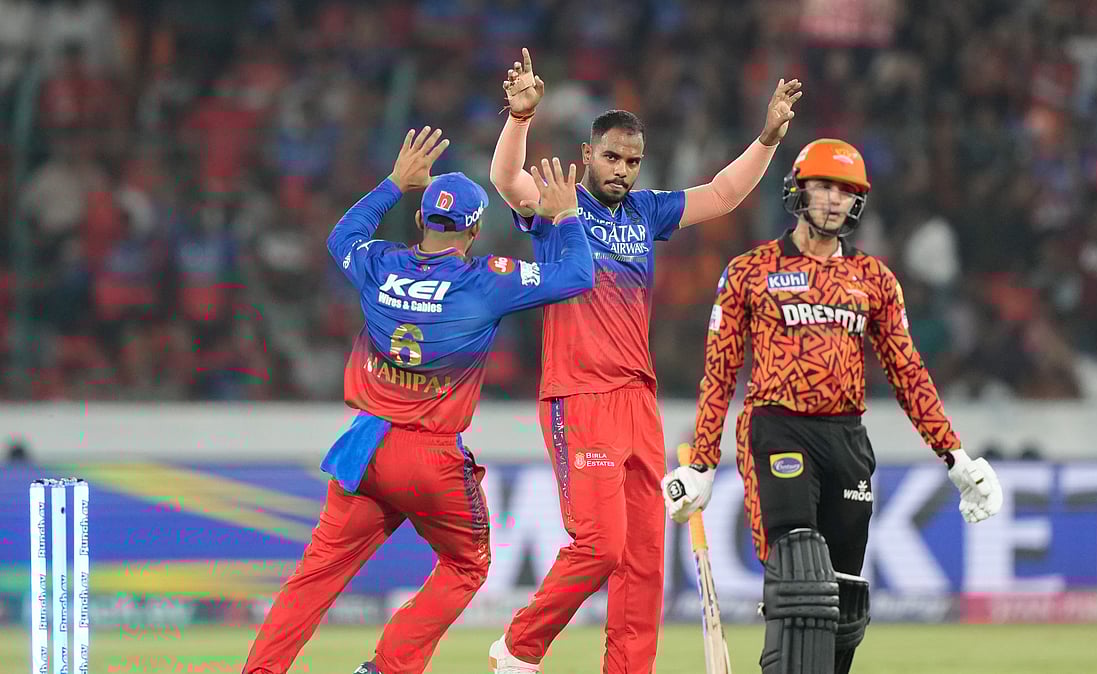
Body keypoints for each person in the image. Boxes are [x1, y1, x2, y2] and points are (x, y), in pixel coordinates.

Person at [487, 48, 804, 674]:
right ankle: (518, 650)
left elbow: (721, 195)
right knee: (600, 545)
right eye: (612, 157)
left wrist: (767, 138)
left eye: (633, 161)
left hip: (638, 399)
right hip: (579, 393)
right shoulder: (558, 204)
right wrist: (520, 119)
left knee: (643, 559)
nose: (623, 170)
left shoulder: (645, 210)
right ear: (588, 155)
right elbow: (505, 179)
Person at [242, 127, 593, 674]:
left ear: (419, 221)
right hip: (430, 456)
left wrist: (392, 183)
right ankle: (387, 668)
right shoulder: (484, 281)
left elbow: (342, 237)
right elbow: (577, 274)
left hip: (365, 448)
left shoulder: (378, 264)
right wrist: (566, 217)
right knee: (466, 564)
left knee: (316, 575)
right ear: (474, 231)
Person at [661, 138, 1004, 674]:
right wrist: (702, 463)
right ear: (798, 190)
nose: (833, 200)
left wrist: (956, 459)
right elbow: (721, 369)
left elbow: (908, 373)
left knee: (843, 604)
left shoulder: (875, 280)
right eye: (823, 186)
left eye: (846, 190)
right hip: (777, 428)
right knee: (800, 569)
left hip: (847, 438)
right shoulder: (750, 271)